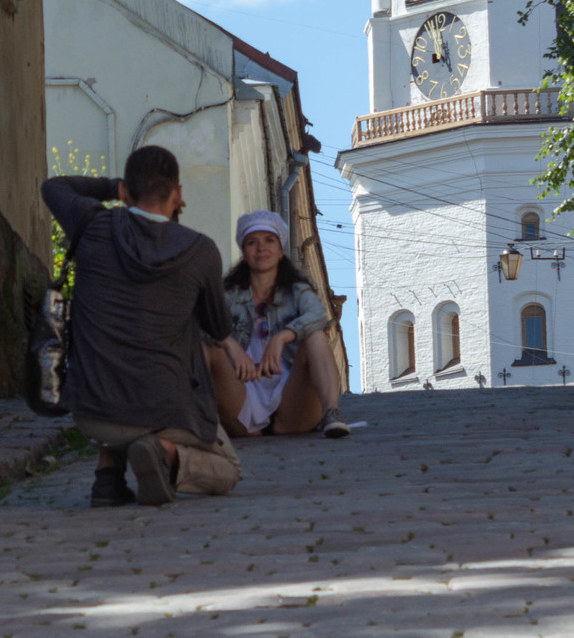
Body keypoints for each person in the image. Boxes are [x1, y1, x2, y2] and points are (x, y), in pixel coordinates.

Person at [41, 147, 244, 508]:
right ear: (177, 194)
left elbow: (54, 187)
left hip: (94, 413)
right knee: (228, 468)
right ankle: (165, 454)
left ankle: (108, 476)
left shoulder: (91, 225)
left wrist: (111, 187)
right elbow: (217, 326)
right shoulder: (200, 251)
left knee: (112, 352)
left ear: (126, 191)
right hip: (167, 414)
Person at [205, 210, 351, 439]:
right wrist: (230, 345)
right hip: (241, 394)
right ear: (244, 252)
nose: (261, 248)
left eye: (269, 241)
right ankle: (186, 421)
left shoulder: (297, 290)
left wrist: (282, 336)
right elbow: (200, 323)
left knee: (316, 336)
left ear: (281, 251)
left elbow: (318, 315)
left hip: (291, 402)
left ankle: (332, 413)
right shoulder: (228, 294)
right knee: (208, 347)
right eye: (252, 242)